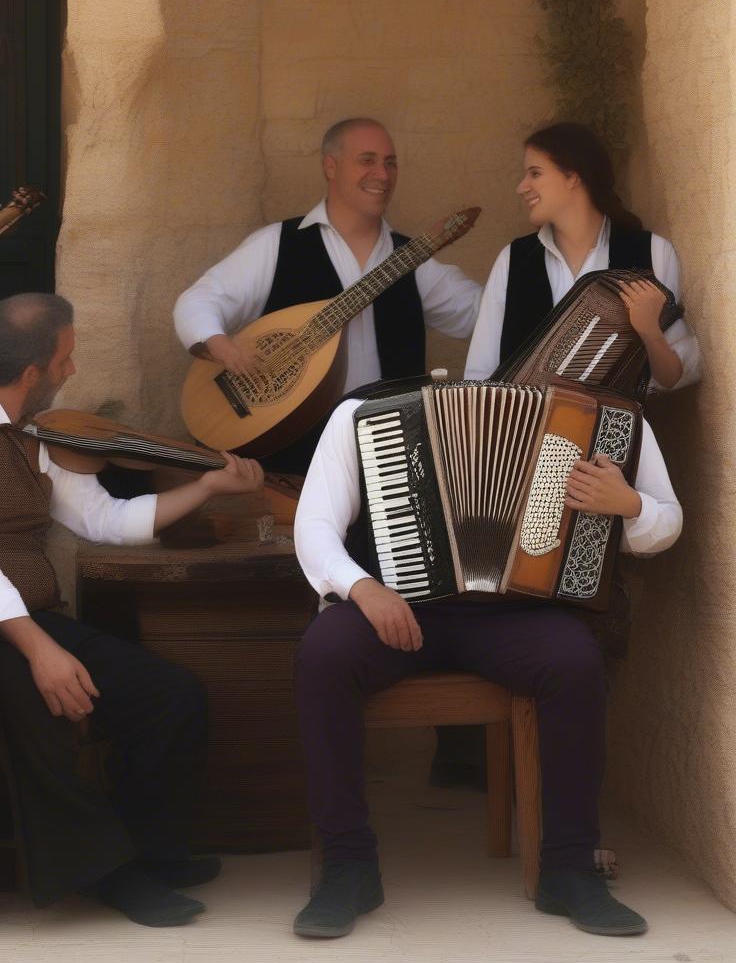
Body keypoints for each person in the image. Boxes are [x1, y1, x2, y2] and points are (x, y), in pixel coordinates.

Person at [0, 292, 264, 927]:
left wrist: (206, 485)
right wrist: (41, 651)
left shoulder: (32, 432)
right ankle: (110, 874)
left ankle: (152, 851)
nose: (72, 372)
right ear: (32, 372)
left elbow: (105, 519)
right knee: (40, 716)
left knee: (170, 693)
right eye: (65, 360)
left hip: (31, 619)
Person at [290, 394, 682, 939]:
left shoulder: (611, 420)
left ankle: (568, 871)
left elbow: (668, 521)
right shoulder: (357, 413)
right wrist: (362, 588)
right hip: (397, 607)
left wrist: (631, 505)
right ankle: (347, 867)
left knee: (574, 661)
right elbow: (313, 525)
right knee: (323, 653)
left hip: (510, 613)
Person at [174, 117, 482, 475]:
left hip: (387, 461)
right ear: (330, 166)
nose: (382, 174)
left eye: (390, 162)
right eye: (367, 160)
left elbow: (486, 314)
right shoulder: (278, 244)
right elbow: (199, 301)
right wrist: (221, 346)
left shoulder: (413, 260)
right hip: (290, 463)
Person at [465, 122, 700, 389]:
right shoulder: (513, 260)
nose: (522, 187)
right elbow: (480, 374)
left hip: (616, 429)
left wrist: (649, 331)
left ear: (572, 176)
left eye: (535, 173)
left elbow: (673, 377)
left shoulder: (652, 252)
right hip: (525, 429)